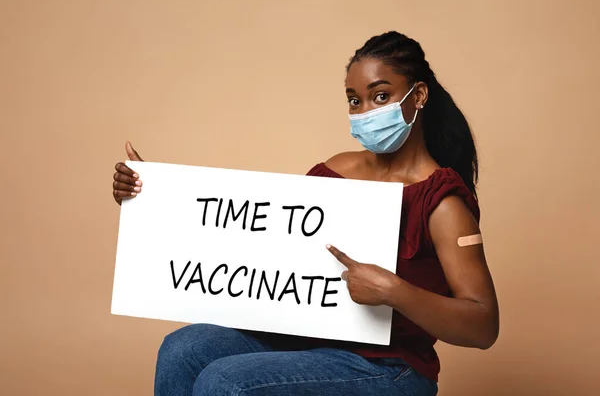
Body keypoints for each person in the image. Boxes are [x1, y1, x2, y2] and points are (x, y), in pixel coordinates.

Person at [112, 31, 499, 396]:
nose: (365, 111)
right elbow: (268, 245)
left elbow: (482, 325)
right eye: (354, 100)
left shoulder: (443, 202)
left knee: (225, 381)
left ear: (418, 97)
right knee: (182, 349)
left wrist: (394, 292)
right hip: (302, 341)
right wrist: (156, 198)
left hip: (389, 368)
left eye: (380, 96)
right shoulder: (336, 170)